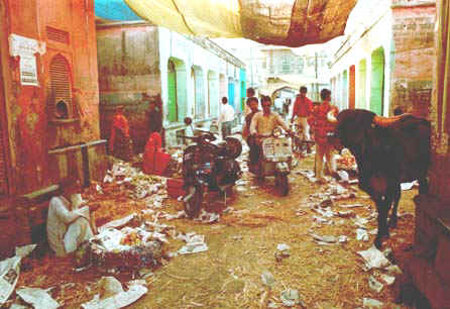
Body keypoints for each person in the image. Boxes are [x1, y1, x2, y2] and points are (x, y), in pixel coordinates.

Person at [47, 180, 98, 257]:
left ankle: (91, 244)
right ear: (66, 189)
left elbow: (81, 211)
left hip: (68, 235)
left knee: (83, 220)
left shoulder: (74, 197)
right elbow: (67, 218)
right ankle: (71, 253)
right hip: (60, 241)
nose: (78, 190)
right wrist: (86, 209)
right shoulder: (55, 201)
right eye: (75, 187)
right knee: (80, 220)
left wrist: (86, 207)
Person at [249, 96, 291, 166]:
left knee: (284, 149)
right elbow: (252, 126)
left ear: (271, 105)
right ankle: (257, 168)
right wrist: (254, 133)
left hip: (273, 138)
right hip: (261, 139)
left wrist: (289, 130)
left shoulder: (275, 115)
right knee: (256, 154)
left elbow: (282, 123)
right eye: (264, 106)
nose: (267, 107)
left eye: (268, 105)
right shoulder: (257, 115)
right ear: (262, 106)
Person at [308, 89, 339, 182]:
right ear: (328, 96)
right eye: (330, 95)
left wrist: (314, 129)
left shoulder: (317, 108)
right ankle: (333, 173)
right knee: (330, 156)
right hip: (330, 136)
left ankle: (319, 176)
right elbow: (337, 121)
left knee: (319, 156)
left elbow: (310, 120)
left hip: (319, 136)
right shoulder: (334, 109)